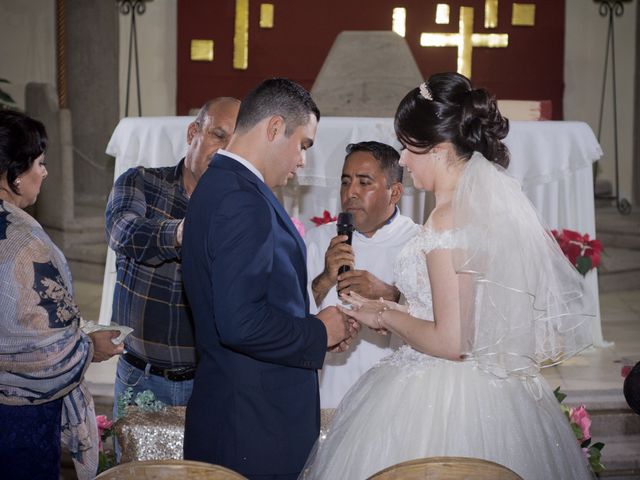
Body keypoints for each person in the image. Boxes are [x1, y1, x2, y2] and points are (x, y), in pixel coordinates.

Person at [300, 73, 595, 480]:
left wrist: (383, 316)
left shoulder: (445, 220)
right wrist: (385, 304)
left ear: (437, 149)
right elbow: (462, 309)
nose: (402, 159)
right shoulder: (482, 209)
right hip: (491, 392)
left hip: (438, 398)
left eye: (407, 146)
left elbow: (453, 341)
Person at [181, 78, 355, 480]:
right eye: (304, 144)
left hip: (238, 409)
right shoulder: (242, 199)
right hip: (251, 424)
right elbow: (240, 322)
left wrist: (315, 328)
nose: (302, 161)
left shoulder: (219, 184)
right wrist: (316, 332)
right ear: (274, 128)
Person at [0, 110, 122, 480]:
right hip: (17, 417)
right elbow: (47, 356)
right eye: (39, 162)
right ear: (14, 173)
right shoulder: (24, 244)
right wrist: (88, 347)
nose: (45, 171)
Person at [105, 97, 240, 412]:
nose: (225, 151)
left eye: (235, 145)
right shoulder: (142, 182)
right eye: (219, 136)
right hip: (141, 377)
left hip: (207, 382)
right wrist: (181, 233)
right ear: (193, 133)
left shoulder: (238, 210)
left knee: (202, 465)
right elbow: (122, 233)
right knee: (134, 464)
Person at [305, 141, 418, 408]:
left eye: (364, 183)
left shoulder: (417, 241)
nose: (350, 192)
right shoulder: (318, 238)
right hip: (328, 391)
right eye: (345, 182)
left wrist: (390, 294)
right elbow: (290, 315)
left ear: (395, 192)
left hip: (393, 397)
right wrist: (324, 279)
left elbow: (441, 323)